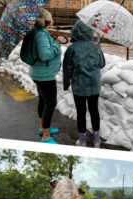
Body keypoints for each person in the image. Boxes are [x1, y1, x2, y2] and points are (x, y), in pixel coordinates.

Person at [63, 19, 106, 148]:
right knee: (94, 111)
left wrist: (66, 85)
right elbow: (102, 64)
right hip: (94, 85)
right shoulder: (96, 47)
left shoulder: (71, 49)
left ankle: (82, 141)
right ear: (89, 32)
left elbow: (67, 70)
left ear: (75, 32)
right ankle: (96, 141)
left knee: (81, 112)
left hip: (79, 86)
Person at [28, 10, 63, 144]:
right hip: (44, 75)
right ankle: (46, 137)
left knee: (43, 100)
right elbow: (44, 55)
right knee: (50, 103)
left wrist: (52, 40)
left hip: (40, 72)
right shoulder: (41, 35)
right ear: (48, 22)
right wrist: (57, 44)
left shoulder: (37, 33)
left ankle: (43, 128)